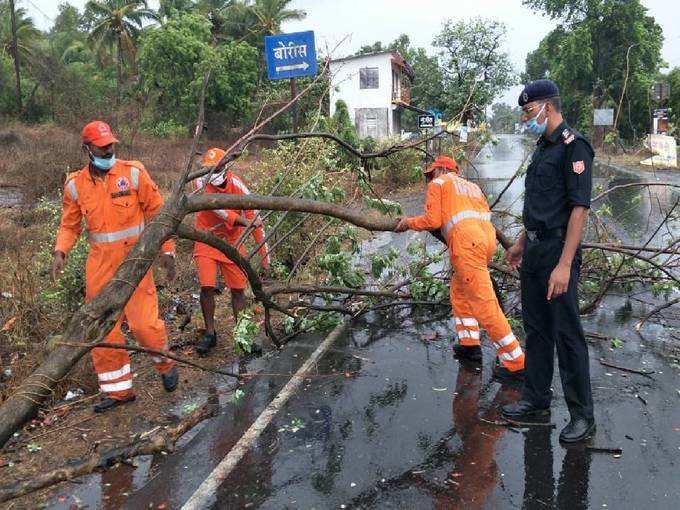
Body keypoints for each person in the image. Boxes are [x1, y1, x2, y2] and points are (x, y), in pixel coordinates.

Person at [51, 121, 178, 413]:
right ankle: (119, 391)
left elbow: (159, 213)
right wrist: (60, 251)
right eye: (102, 147)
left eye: (111, 145)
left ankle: (165, 364)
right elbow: (69, 225)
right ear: (87, 149)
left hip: (135, 262)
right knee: (103, 330)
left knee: (145, 326)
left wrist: (167, 251)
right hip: (100, 266)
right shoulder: (74, 184)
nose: (109, 150)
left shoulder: (133, 172)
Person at [501, 79, 595, 443]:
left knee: (567, 334)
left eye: (529, 112)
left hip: (558, 252)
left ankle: (583, 416)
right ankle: (536, 399)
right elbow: (539, 206)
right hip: (535, 252)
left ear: (547, 107)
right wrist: (521, 244)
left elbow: (578, 210)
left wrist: (566, 264)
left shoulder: (574, 147)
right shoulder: (543, 148)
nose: (527, 120)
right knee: (537, 331)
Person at [395, 155, 525, 382]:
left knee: (485, 305)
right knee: (459, 292)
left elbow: (433, 220)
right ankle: (469, 345)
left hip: (467, 245)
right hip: (486, 243)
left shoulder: (440, 183)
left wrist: (408, 223)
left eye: (431, 173)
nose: (430, 179)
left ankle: (516, 363)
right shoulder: (472, 187)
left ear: (442, 169)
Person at [191, 148, 270, 356]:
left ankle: (242, 335)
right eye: (208, 169)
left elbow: (256, 218)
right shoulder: (200, 182)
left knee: (238, 290)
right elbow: (218, 208)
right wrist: (243, 221)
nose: (212, 172)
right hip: (207, 239)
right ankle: (210, 333)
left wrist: (264, 258)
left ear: (225, 167)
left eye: (216, 168)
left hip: (233, 242)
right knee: (206, 286)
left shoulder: (238, 185)